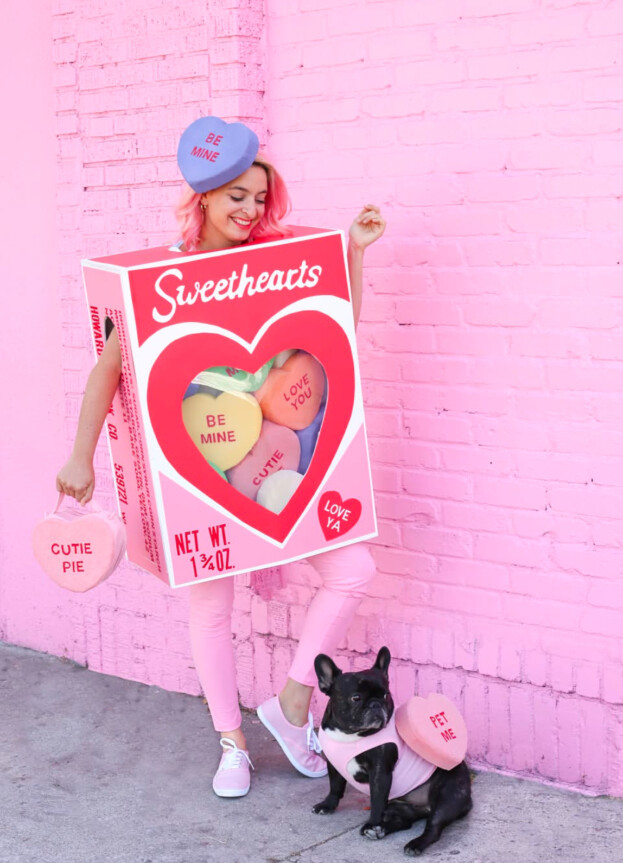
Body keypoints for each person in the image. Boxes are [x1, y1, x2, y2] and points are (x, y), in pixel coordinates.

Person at [55, 117, 386, 798]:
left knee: (353, 567)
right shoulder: (157, 279)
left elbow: (333, 330)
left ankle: (293, 705)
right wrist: (80, 457)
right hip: (198, 476)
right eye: (236, 195)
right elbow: (106, 372)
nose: (250, 210)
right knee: (210, 606)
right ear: (202, 197)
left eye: (259, 198)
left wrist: (354, 251)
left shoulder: (278, 262)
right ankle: (231, 743)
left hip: (282, 465)